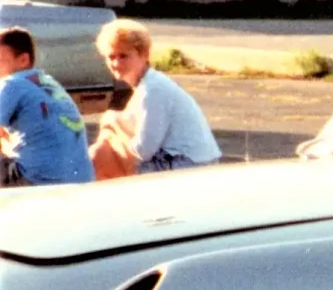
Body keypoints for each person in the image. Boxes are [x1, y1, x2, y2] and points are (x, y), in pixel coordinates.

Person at [88, 18, 220, 180]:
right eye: (111, 57)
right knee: (102, 150)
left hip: (188, 166)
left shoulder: (152, 90)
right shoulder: (146, 85)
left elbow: (143, 151)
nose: (116, 63)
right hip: (179, 162)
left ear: (144, 55)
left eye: (123, 56)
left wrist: (114, 124)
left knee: (102, 150)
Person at [0, 26, 96, 186]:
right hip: (81, 179)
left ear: (23, 60)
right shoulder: (46, 82)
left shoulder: (11, 83)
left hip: (39, 180)